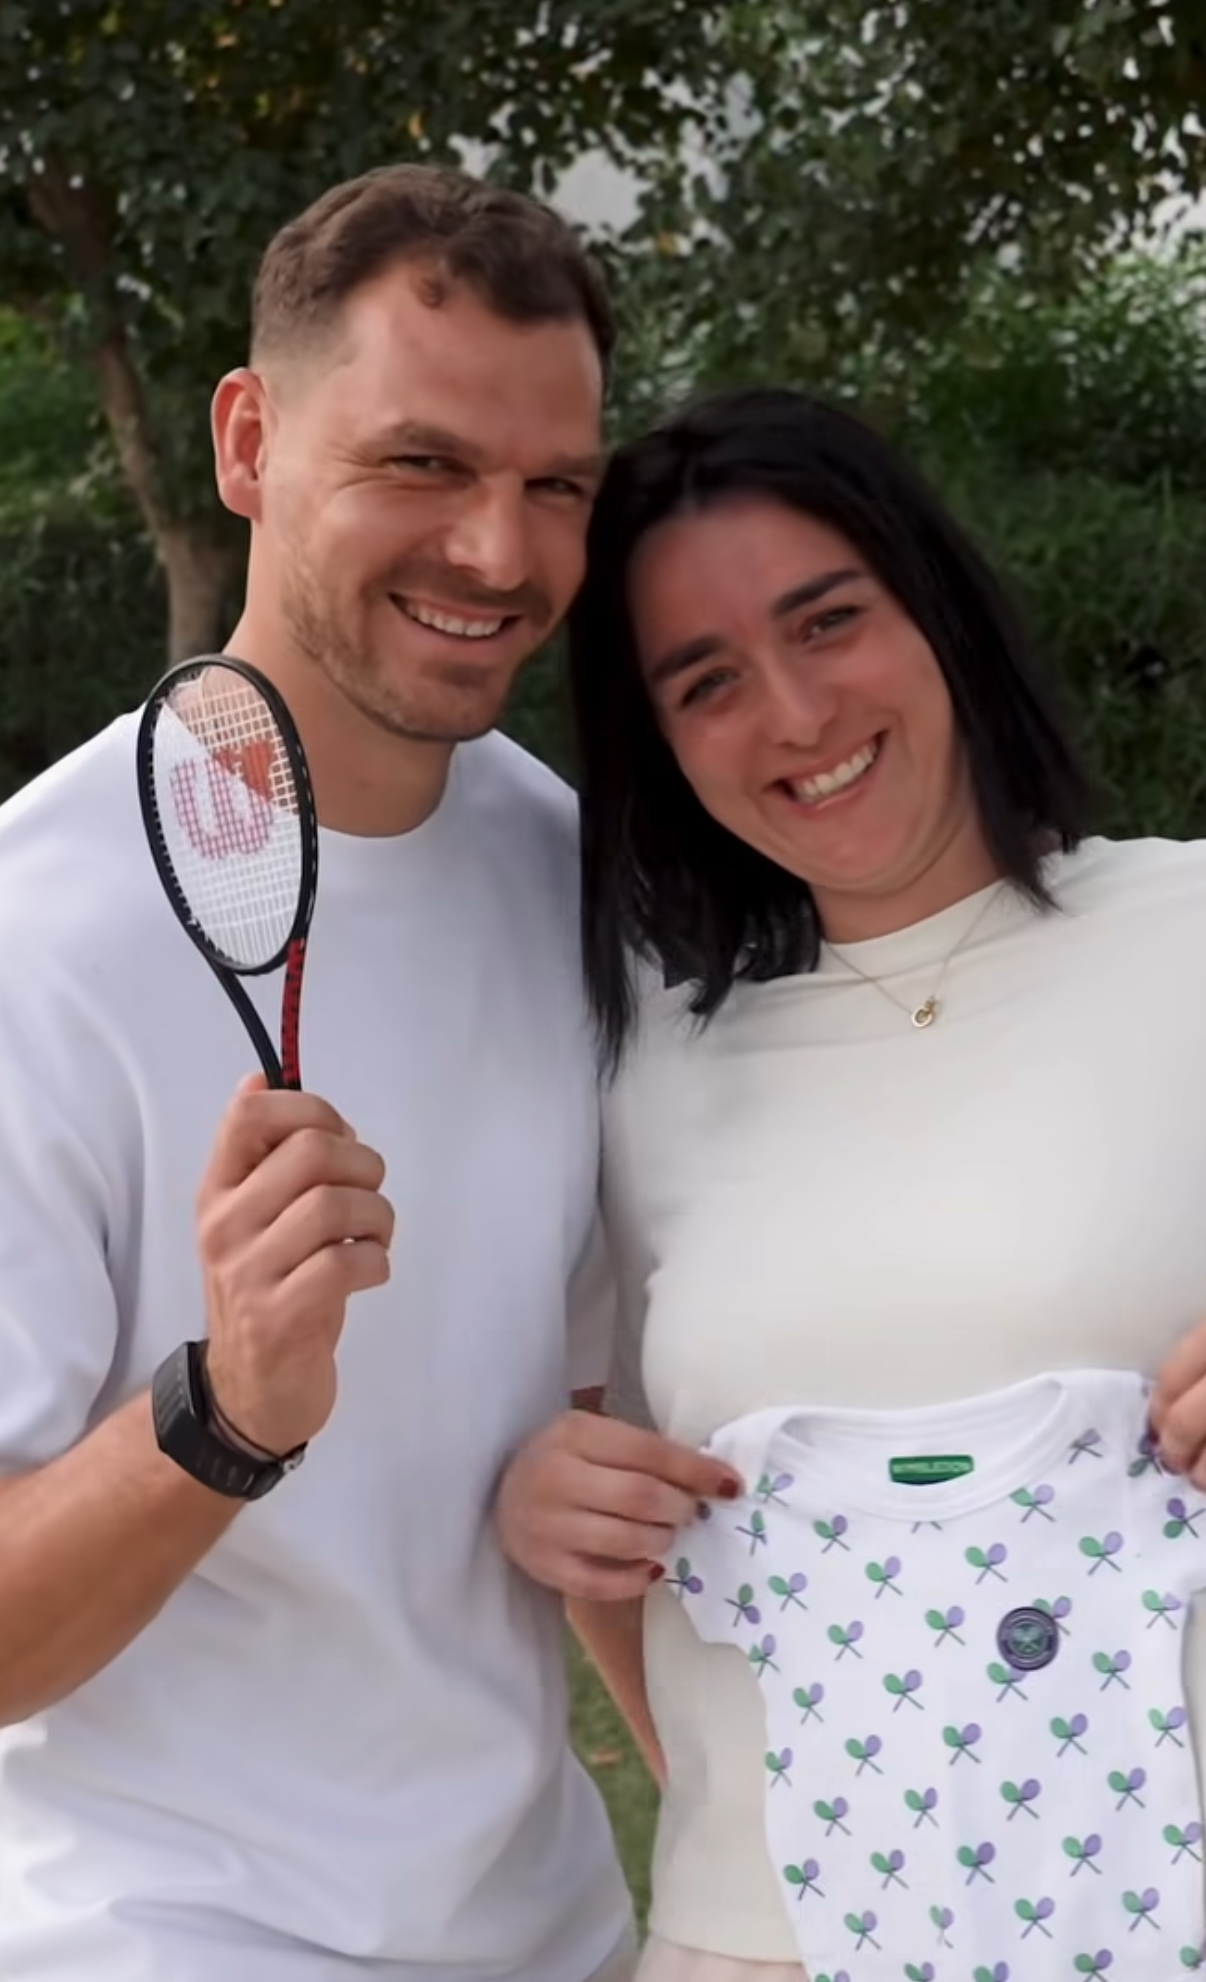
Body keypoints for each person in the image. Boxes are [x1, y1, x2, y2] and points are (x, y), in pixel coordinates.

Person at [0, 163, 735, 1982]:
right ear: (248, 443)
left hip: (554, 1928)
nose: (496, 552)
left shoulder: (576, 874)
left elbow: (602, 1442)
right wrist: (225, 1412)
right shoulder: (36, 935)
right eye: (420, 462)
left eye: (554, 487)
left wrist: (762, 1887)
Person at [496, 387, 1206, 1980]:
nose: (797, 712)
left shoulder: (1188, 939)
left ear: (933, 608)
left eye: (828, 621)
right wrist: (556, 1502)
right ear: (659, 744)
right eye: (706, 681)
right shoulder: (635, 1079)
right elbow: (627, 1498)